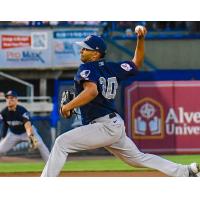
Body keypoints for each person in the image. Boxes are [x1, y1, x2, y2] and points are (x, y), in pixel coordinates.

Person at [41, 26, 200, 177]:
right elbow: (136, 63)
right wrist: (141, 39)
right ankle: (185, 171)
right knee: (138, 158)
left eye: (85, 48)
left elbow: (91, 91)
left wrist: (68, 106)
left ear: (96, 54)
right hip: (113, 124)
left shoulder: (86, 68)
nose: (81, 50)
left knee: (62, 143)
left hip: (104, 126)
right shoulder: (112, 68)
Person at [0, 90, 49, 162]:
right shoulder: (4, 112)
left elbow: (27, 125)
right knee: (0, 149)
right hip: (13, 134)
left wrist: (31, 136)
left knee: (41, 145)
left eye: (12, 98)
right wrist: (3, 137)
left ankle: (51, 166)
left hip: (26, 133)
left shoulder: (22, 111)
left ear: (17, 100)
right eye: (8, 98)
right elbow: (5, 125)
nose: (9, 100)